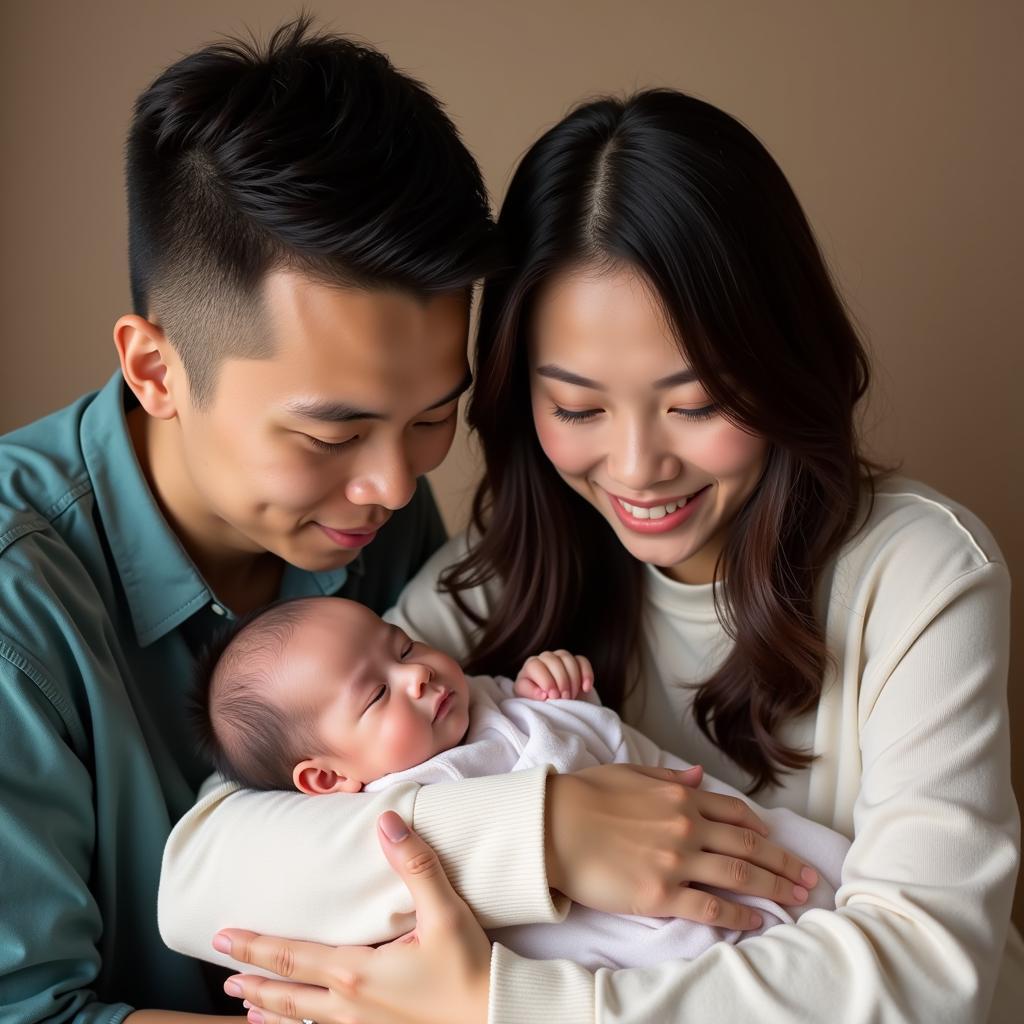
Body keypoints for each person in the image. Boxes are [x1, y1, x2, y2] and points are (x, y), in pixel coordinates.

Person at [160, 89, 1022, 1023]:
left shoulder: (921, 573)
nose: (639, 468)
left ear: (782, 364)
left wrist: (498, 1005)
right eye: (576, 409)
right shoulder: (502, 574)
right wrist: (544, 835)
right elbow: (202, 877)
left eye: (696, 403)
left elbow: (932, 977)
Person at [0, 16, 507, 1023]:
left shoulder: (365, 510)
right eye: (332, 434)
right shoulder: (19, 599)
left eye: (435, 417)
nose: (396, 487)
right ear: (157, 370)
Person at [160, 595, 847, 972]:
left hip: (686, 836)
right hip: (605, 949)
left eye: (401, 646)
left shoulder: (484, 697)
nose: (417, 675)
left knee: (809, 869)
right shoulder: (379, 819)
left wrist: (556, 693)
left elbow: (588, 741)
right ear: (327, 777)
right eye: (376, 696)